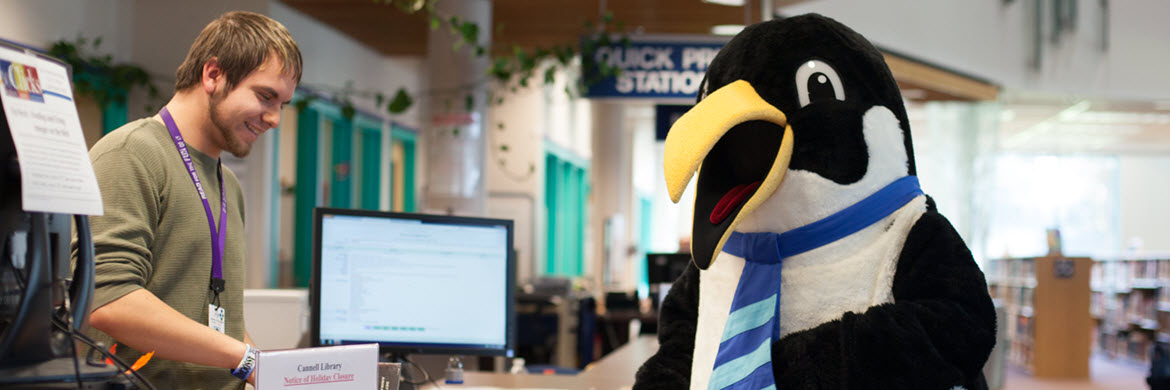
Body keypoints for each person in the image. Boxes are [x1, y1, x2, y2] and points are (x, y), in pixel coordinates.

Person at [76, 11, 301, 389]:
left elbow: (218, 320)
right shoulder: (131, 154)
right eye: (265, 96)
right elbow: (111, 301)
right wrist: (246, 360)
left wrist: (270, 374)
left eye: (283, 104)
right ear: (213, 74)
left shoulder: (227, 182)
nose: (274, 118)